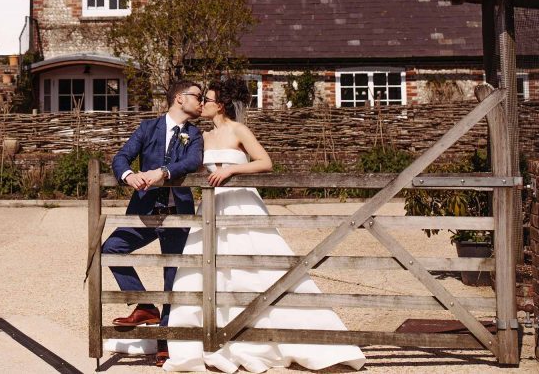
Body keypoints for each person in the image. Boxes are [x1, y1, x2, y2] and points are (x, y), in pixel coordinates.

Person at [163, 77, 366, 372]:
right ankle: (212, 337)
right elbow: (190, 165)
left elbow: (264, 161)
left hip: (241, 203)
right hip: (210, 207)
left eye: (206, 99)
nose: (202, 104)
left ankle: (277, 335)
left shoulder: (238, 130)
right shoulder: (200, 138)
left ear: (219, 105)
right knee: (205, 271)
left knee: (259, 268)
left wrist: (233, 169)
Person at [102, 79, 205, 366]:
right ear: (180, 99)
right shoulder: (148, 127)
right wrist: (127, 176)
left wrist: (163, 172)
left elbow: (192, 163)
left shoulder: (195, 134)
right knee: (110, 250)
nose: (202, 100)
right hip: (145, 211)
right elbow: (121, 157)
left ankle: (164, 342)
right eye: (198, 96)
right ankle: (144, 304)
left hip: (177, 214)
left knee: (171, 279)